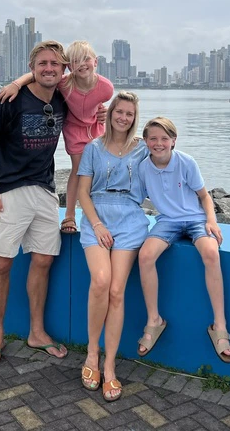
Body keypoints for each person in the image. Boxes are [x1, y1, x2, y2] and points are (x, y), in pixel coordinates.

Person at [0, 40, 70, 368]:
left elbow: (94, 88)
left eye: (55, 64)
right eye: (42, 63)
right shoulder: (10, 99)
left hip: (44, 190)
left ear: (63, 70)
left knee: (43, 260)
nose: (48, 68)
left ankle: (37, 332)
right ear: (32, 68)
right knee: (2, 264)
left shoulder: (63, 99)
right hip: (9, 190)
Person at [136, 117, 230, 363]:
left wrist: (211, 221)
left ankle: (219, 327)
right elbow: (135, 199)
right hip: (167, 221)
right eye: (153, 139)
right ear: (146, 141)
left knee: (211, 254)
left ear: (173, 141)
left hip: (195, 219)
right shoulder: (142, 167)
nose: (158, 144)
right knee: (145, 256)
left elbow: (205, 196)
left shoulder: (186, 162)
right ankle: (154, 320)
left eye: (164, 139)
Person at [0, 40, 114, 234]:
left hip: (95, 127)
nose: (82, 64)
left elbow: (104, 107)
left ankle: (100, 212)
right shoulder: (64, 83)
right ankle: (69, 215)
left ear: (96, 62)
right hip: (74, 128)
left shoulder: (106, 88)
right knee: (79, 169)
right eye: (75, 61)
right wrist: (16, 84)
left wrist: (106, 113)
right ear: (69, 66)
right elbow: (34, 75)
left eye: (86, 59)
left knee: (100, 167)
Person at [76, 91, 148, 402]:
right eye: (119, 112)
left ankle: (109, 365)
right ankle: (92, 353)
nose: (123, 118)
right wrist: (98, 225)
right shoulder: (94, 148)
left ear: (134, 118)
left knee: (117, 291)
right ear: (110, 113)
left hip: (130, 219)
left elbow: (168, 170)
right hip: (97, 219)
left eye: (129, 114)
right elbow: (81, 193)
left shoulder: (143, 150)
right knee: (101, 282)